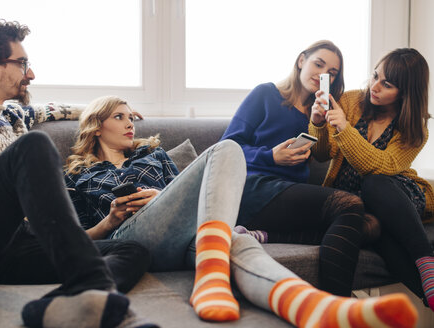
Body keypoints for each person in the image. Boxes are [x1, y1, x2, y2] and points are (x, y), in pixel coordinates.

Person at [64, 94, 419, 328]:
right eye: (119, 116)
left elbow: (198, 196)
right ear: (96, 126)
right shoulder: (77, 175)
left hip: (185, 235)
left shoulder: (154, 156)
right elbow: (76, 237)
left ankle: (315, 308)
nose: (131, 123)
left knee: (237, 240)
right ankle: (212, 273)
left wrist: (163, 194)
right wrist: (110, 219)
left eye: (131, 116)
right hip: (131, 240)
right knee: (227, 149)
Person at [0, 18, 153, 328]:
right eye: (22, 63)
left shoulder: (14, 113)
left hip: (18, 247)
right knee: (34, 144)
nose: (31, 74)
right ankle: (93, 287)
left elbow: (55, 109)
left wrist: (103, 113)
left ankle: (51, 309)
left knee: (133, 250)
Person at [220, 40, 369, 297]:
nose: (323, 75)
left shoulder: (318, 113)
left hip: (290, 194)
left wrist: (320, 123)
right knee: (350, 205)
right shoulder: (265, 94)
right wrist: (271, 157)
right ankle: (337, 305)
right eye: (318, 64)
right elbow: (225, 149)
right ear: (302, 61)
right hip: (255, 188)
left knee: (371, 225)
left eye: (331, 73)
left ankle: (264, 234)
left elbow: (323, 155)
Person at [309, 47, 434, 310]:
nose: (374, 87)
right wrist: (318, 123)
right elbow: (322, 155)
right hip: (359, 202)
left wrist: (344, 128)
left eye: (386, 84)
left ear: (406, 92)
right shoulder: (352, 101)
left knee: (374, 184)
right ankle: (430, 294)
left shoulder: (415, 128)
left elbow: (380, 166)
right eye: (375, 76)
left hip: (395, 194)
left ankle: (427, 260)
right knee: (379, 232)